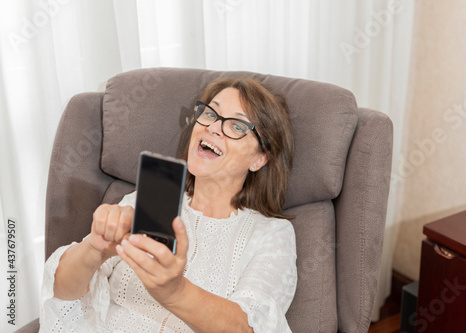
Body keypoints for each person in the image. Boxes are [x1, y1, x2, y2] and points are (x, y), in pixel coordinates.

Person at [39, 77, 297, 332]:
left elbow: (250, 327)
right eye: (210, 113)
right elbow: (62, 293)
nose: (213, 127)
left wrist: (174, 292)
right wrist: (94, 248)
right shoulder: (147, 201)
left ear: (260, 159)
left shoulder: (272, 235)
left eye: (238, 126)